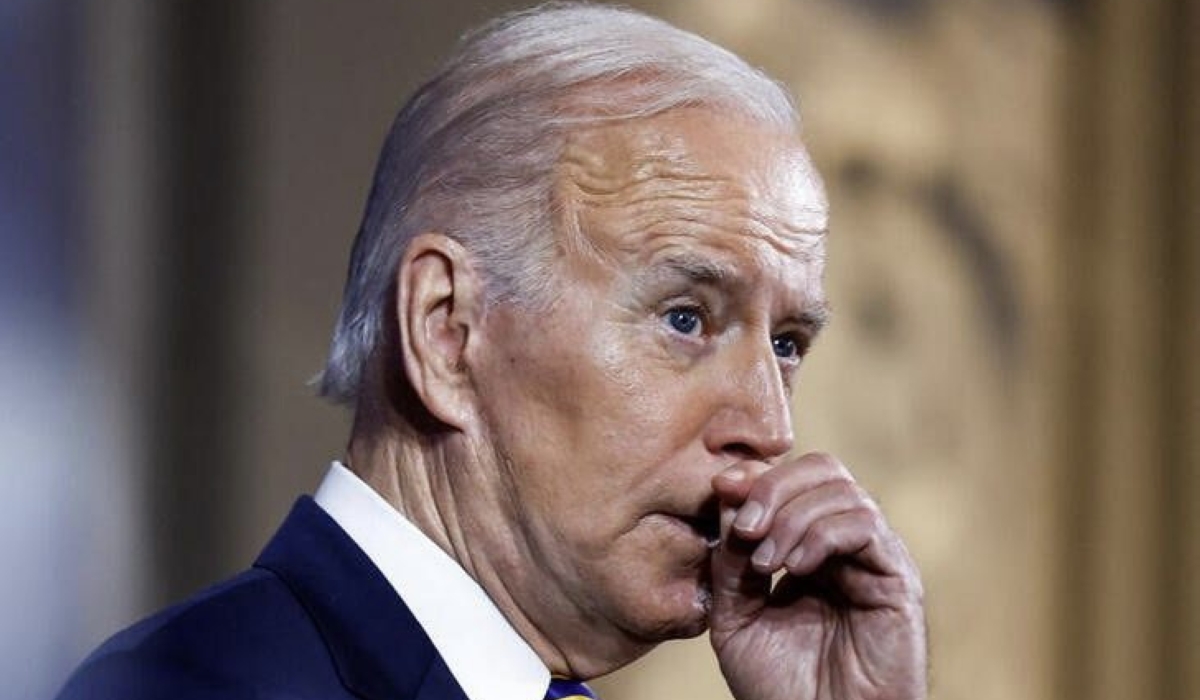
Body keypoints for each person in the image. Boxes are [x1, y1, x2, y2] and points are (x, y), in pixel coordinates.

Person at [58, 4, 927, 699]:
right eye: (686, 318)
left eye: (785, 343)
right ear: (446, 330)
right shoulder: (194, 686)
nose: (769, 429)